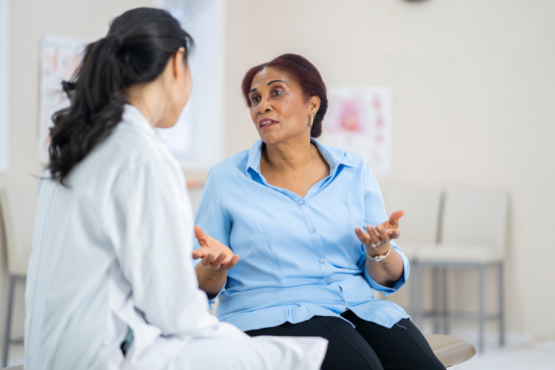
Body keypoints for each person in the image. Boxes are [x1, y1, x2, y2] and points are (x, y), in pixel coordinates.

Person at [24, 10, 327, 370]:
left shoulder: (76, 147)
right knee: (296, 358)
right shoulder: (141, 155)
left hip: (50, 351)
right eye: (255, 98)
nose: (261, 106)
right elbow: (175, 310)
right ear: (176, 63)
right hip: (105, 354)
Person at [193, 54, 445, 370]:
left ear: (312, 104)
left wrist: (379, 251)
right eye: (255, 99)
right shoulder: (226, 178)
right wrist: (214, 267)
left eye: (276, 92)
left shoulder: (354, 170)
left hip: (358, 308)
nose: (262, 106)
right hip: (270, 314)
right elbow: (199, 287)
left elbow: (384, 279)